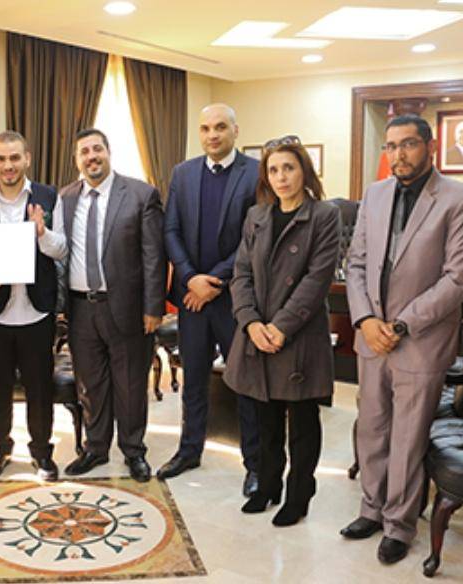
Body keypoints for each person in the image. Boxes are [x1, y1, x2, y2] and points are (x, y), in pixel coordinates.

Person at [341, 114, 463, 564]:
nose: (398, 155)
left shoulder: (461, 198)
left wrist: (401, 324)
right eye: (391, 146)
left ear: (431, 146)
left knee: (407, 437)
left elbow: (458, 278)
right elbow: (356, 263)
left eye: (408, 144)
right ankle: (371, 509)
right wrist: (366, 320)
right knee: (372, 428)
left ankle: (399, 525)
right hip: (372, 337)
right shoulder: (374, 193)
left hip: (420, 340)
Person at [224, 137, 340, 527]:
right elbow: (241, 273)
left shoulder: (324, 215)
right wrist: (251, 322)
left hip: (299, 334)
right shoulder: (256, 216)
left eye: (288, 168)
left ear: (304, 171)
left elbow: (316, 280)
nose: (281, 177)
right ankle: (267, 485)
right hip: (257, 333)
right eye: (273, 170)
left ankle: (299, 494)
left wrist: (280, 327)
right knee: (265, 419)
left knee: (302, 424)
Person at [160, 103, 261, 496]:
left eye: (220, 127)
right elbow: (171, 230)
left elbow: (253, 238)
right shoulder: (183, 173)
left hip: (235, 297)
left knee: (244, 383)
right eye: (205, 128)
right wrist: (190, 278)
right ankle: (189, 450)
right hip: (191, 299)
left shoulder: (255, 173)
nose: (212, 135)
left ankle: (254, 464)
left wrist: (214, 280)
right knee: (194, 379)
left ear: (235, 130)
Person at [56, 128, 166, 482]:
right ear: (76, 160)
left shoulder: (140, 195)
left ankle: (134, 451)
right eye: (84, 152)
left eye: (97, 149)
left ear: (108, 151)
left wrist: (153, 308)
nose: (91, 156)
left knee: (130, 384)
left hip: (127, 308)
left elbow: (154, 256)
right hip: (80, 309)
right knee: (91, 385)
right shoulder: (64, 198)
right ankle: (95, 448)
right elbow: (57, 251)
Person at [0, 131, 66, 481]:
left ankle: (42, 453)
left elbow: (61, 249)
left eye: (15, 158)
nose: (8, 166)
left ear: (27, 158)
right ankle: (0, 449)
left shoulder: (49, 196)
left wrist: (42, 233)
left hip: (36, 310)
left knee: (40, 388)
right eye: (2, 159)